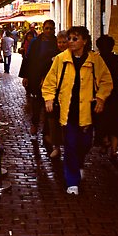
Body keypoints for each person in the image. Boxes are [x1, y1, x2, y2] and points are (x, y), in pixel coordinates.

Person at [42, 26, 113, 195]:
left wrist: (101, 98)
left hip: (87, 109)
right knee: (70, 144)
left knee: (85, 143)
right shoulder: (61, 59)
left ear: (84, 41)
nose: (71, 42)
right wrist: (49, 98)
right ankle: (72, 181)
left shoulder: (95, 60)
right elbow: (50, 81)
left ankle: (79, 163)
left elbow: (106, 81)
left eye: (75, 39)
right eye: (69, 39)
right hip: (68, 110)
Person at [94, 34, 118, 162]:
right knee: (117, 121)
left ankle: (105, 141)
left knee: (101, 120)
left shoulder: (96, 60)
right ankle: (114, 151)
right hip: (117, 92)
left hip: (102, 92)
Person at [19, 19, 58, 138]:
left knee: (50, 104)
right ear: (43, 29)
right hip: (36, 76)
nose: (49, 31)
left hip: (51, 78)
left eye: (51, 28)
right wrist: (25, 76)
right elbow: (28, 58)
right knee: (36, 103)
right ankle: (34, 124)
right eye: (47, 28)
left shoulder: (57, 42)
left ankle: (47, 130)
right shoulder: (36, 42)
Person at [44, 29, 70, 159]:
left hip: (68, 95)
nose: (61, 44)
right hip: (55, 94)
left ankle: (69, 148)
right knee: (54, 123)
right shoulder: (53, 55)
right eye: (59, 42)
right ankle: (57, 147)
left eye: (64, 42)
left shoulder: (72, 56)